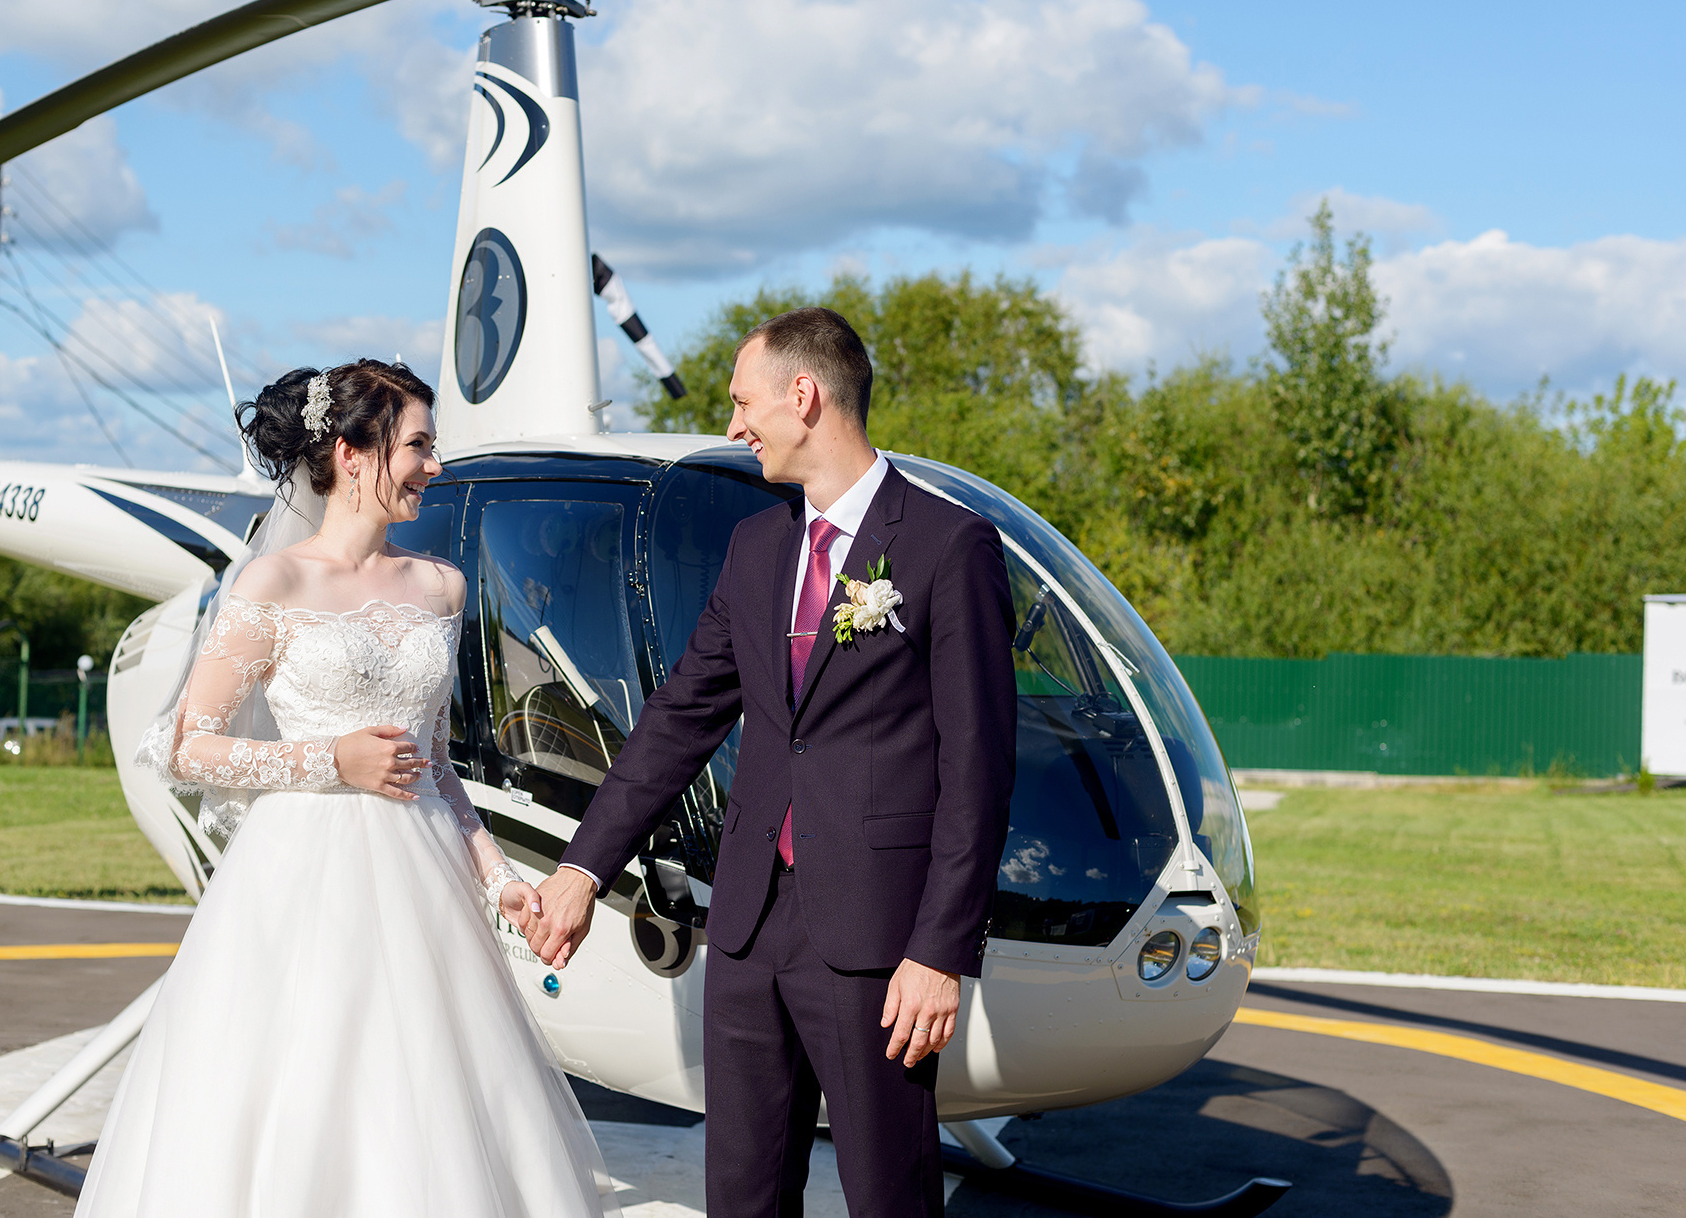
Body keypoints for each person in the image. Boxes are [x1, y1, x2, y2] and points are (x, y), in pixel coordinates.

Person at [77, 360, 615, 1217]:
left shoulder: (440, 587)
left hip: (425, 883)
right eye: (419, 445)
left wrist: (502, 879)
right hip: (297, 885)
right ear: (352, 452)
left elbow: (436, 767)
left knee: (428, 1108)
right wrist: (332, 760)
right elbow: (189, 744)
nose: (434, 466)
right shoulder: (274, 584)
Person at [529, 308, 1017, 1218]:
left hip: (880, 939)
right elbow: (680, 718)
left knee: (889, 1196)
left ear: (805, 395)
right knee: (742, 1195)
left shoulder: (949, 547)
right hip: (748, 924)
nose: (734, 425)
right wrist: (584, 865)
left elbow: (980, 770)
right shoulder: (756, 549)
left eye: (742, 401)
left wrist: (939, 951)